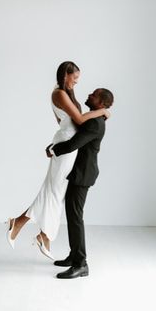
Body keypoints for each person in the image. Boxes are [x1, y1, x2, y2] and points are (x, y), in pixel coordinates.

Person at [6, 62, 111, 259]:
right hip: (67, 145)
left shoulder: (66, 94)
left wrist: (57, 145)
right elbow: (78, 120)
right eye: (75, 78)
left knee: (55, 191)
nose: (76, 83)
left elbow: (69, 122)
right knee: (53, 191)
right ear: (65, 75)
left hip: (67, 143)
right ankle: (25, 226)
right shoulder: (60, 93)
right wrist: (103, 112)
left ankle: (41, 233)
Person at [47, 86, 115, 279]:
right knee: (72, 215)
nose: (89, 95)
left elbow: (72, 144)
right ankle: (74, 255)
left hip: (83, 174)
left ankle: (81, 264)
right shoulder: (95, 118)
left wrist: (52, 150)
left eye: (93, 96)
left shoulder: (95, 123)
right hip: (79, 173)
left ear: (101, 103)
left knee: (76, 217)